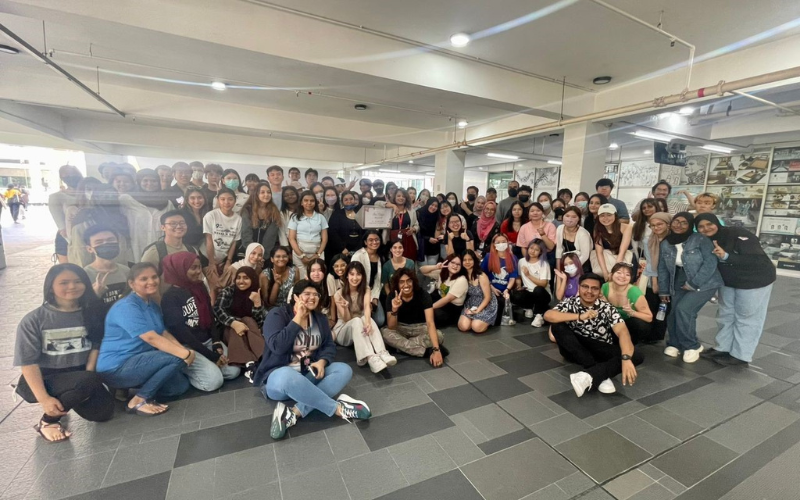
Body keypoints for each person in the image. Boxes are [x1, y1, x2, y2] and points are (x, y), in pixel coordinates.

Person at [252, 281, 371, 440]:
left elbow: (329, 345)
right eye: (307, 294)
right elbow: (277, 346)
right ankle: (338, 409)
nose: (312, 298)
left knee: (344, 370)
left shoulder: (320, 318)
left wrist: (322, 361)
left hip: (307, 375)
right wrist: (298, 319)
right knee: (287, 375)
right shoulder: (277, 315)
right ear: (295, 297)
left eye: (315, 294)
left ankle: (293, 413)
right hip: (278, 379)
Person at [13, 264, 114, 442]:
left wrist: (88, 379)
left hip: (79, 375)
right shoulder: (34, 320)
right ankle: (48, 422)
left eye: (78, 281)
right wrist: (44, 399)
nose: (72, 286)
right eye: (64, 282)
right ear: (50, 286)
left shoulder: (91, 313)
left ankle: (71, 396)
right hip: (46, 378)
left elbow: (95, 346)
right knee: (87, 381)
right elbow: (28, 363)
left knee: (103, 413)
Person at [98, 263, 191, 415]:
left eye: (154, 277)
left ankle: (132, 387)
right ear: (131, 283)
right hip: (117, 366)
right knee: (176, 357)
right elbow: (151, 338)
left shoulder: (151, 304)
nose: (151, 281)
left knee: (179, 387)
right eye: (144, 279)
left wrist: (183, 350)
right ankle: (139, 400)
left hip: (140, 360)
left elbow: (163, 333)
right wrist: (184, 355)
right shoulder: (127, 306)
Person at [544, 273, 643, 398]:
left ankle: (590, 375)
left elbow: (622, 332)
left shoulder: (607, 308)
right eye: (585, 287)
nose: (589, 291)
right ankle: (597, 371)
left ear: (599, 291)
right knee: (557, 326)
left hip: (599, 347)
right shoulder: (570, 303)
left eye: (594, 288)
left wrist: (626, 358)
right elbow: (548, 315)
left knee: (637, 355)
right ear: (579, 288)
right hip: (574, 348)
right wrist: (580, 316)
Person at [695, 214, 775, 365]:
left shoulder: (738, 234)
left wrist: (726, 256)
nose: (706, 228)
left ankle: (741, 354)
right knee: (725, 313)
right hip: (729, 281)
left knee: (747, 316)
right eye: (701, 226)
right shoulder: (704, 240)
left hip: (754, 280)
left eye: (709, 224)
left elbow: (757, 259)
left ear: (716, 223)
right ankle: (722, 347)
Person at [161, 253, 241, 391]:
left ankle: (209, 367)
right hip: (188, 346)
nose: (198, 272)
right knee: (214, 382)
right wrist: (211, 356)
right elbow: (182, 333)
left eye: (199, 267)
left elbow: (210, 315)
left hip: (207, 340)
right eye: (193, 268)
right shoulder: (169, 298)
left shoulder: (199, 287)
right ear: (179, 269)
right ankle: (182, 369)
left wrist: (216, 342)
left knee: (233, 371)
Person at [657, 213, 723, 363]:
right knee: (673, 312)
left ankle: (692, 345)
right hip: (679, 278)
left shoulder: (700, 239)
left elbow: (710, 263)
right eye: (676, 221)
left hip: (706, 281)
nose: (678, 225)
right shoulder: (666, 243)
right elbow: (663, 268)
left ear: (690, 226)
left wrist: (694, 283)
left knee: (685, 309)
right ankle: (674, 343)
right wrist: (664, 290)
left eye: (684, 223)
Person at [332, 262, 396, 372]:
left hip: (359, 327)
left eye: (358, 274)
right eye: (352, 274)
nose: (355, 278)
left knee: (367, 319)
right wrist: (346, 308)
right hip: (343, 331)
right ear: (347, 275)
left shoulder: (366, 289)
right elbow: (347, 320)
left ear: (363, 276)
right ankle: (371, 357)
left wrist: (367, 322)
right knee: (357, 320)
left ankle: (382, 352)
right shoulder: (339, 294)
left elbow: (367, 306)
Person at [383, 268, 447, 367]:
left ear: (413, 281)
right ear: (397, 285)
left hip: (420, 328)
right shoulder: (392, 296)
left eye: (409, 281)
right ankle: (425, 352)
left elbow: (430, 323)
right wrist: (394, 309)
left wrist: (436, 350)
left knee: (439, 336)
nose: (406, 285)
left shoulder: (423, 295)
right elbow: (391, 327)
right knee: (385, 333)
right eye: (402, 282)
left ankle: (401, 348)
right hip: (401, 328)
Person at [68, 182, 133, 268]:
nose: (110, 199)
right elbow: (80, 253)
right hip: (93, 272)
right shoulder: (83, 218)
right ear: (95, 197)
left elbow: (124, 249)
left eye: (113, 196)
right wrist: (87, 275)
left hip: (119, 270)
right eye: (105, 196)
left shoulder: (121, 218)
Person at [213, 266, 267, 366]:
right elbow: (217, 310)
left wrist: (257, 303)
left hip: (248, 331)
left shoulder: (255, 293)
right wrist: (234, 323)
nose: (241, 281)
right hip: (228, 330)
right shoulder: (228, 291)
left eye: (246, 278)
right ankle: (255, 361)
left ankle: (257, 359)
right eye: (238, 277)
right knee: (238, 327)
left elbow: (259, 323)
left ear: (252, 279)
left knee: (248, 320)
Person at [118, 168, 174, 260]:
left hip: (160, 246)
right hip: (135, 245)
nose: (150, 184)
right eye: (145, 180)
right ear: (139, 181)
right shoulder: (127, 199)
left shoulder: (167, 203)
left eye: (153, 181)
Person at [202, 188, 242, 297]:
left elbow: (234, 242)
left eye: (230, 199)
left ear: (235, 200)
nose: (226, 202)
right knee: (215, 286)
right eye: (222, 199)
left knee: (227, 286)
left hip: (224, 258)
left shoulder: (238, 219)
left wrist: (228, 261)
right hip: (207, 258)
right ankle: (211, 312)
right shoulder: (211, 216)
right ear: (218, 200)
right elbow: (208, 240)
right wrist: (211, 262)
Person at [601, 263, 653, 344]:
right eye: (619, 272)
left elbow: (649, 317)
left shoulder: (634, 292)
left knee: (641, 325)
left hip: (628, 323)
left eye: (627, 274)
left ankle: (630, 344)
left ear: (630, 278)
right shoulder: (605, 287)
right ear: (611, 274)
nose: (622, 276)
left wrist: (632, 312)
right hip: (611, 322)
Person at [641, 212, 673, 343]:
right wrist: (655, 282)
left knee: (666, 306)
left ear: (668, 224)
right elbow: (651, 262)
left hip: (671, 278)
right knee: (651, 303)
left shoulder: (673, 240)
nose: (656, 228)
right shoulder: (648, 240)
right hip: (653, 277)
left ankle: (659, 334)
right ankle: (648, 334)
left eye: (659, 224)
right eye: (652, 225)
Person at [83, 225, 130, 310]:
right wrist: (95, 294)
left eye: (110, 240)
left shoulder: (126, 271)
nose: (106, 244)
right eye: (99, 242)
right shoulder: (84, 275)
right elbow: (81, 307)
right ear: (89, 249)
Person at [288, 190, 328, 279]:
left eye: (312, 201)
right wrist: (301, 256)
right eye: (306, 200)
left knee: (317, 277)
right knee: (301, 279)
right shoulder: (295, 217)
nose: (309, 203)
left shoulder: (321, 217)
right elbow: (291, 238)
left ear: (315, 202)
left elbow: (324, 239)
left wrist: (317, 254)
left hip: (317, 253)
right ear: (301, 202)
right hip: (299, 253)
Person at [421, 254, 468, 327]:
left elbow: (447, 299)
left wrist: (428, 309)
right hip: (440, 298)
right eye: (452, 262)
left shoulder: (461, 280)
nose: (455, 266)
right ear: (447, 262)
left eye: (458, 264)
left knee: (428, 315)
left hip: (451, 309)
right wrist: (436, 267)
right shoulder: (443, 273)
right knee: (421, 299)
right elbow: (422, 270)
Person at [512, 239, 551, 327]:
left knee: (538, 290)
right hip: (528, 292)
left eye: (536, 250)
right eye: (531, 248)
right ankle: (529, 307)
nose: (532, 251)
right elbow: (518, 276)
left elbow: (543, 284)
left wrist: (528, 275)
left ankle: (539, 314)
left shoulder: (544, 264)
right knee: (516, 295)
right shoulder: (521, 261)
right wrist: (518, 285)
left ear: (541, 252)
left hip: (542, 293)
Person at [480, 233, 518, 324]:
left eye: (503, 242)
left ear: (507, 243)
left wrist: (507, 290)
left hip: (506, 289)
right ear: (494, 244)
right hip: (491, 288)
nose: (501, 244)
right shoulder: (488, 257)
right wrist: (491, 288)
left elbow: (513, 277)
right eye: (498, 242)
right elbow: (482, 275)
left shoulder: (513, 258)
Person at [351, 231, 386, 326]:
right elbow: (353, 280)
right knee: (361, 319)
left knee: (380, 320)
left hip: (374, 291)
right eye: (371, 240)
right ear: (365, 242)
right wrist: (367, 299)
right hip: (359, 291)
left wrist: (374, 298)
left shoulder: (381, 257)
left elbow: (378, 281)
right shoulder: (358, 256)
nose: (374, 242)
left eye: (377, 239)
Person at [49, 165, 83, 263]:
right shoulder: (56, 197)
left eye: (73, 174)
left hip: (88, 233)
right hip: (67, 237)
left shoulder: (89, 192)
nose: (71, 177)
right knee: (68, 268)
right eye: (66, 176)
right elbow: (62, 227)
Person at [240, 181, 281, 258]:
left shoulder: (274, 211)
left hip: (266, 253)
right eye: (262, 192)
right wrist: (253, 253)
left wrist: (262, 256)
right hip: (247, 250)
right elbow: (246, 233)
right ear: (256, 194)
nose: (266, 195)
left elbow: (270, 237)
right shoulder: (248, 210)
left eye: (269, 192)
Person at [459, 250, 498, 333]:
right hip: (471, 303)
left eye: (470, 259)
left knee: (476, 327)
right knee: (463, 326)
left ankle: (486, 322)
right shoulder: (462, 275)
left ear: (474, 260)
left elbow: (488, 297)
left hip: (486, 304)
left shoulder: (481, 276)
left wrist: (478, 310)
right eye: (464, 260)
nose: (467, 262)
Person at [593, 204, 634, 281]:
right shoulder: (597, 229)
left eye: (609, 215)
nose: (606, 218)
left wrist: (614, 272)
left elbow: (622, 251)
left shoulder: (626, 227)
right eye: (602, 215)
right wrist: (605, 273)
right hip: (606, 262)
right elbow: (599, 252)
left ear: (615, 215)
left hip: (623, 260)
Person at [379, 188, 419, 259]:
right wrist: (393, 206)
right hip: (392, 239)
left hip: (408, 240)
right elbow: (377, 203)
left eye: (403, 196)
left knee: (408, 263)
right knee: (394, 262)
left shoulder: (411, 211)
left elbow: (417, 225)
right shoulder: (389, 210)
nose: (401, 198)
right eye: (398, 196)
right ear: (394, 197)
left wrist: (413, 229)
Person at [327, 190, 363, 261]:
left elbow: (365, 231)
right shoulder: (337, 214)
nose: (349, 201)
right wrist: (342, 248)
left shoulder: (361, 213)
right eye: (346, 200)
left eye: (351, 199)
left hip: (359, 249)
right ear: (342, 202)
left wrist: (360, 247)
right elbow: (333, 233)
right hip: (342, 250)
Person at [556, 207, 593, 273]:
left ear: (578, 219)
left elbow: (585, 255)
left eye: (574, 217)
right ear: (563, 217)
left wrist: (573, 268)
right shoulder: (560, 228)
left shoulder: (583, 233)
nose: (570, 219)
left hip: (581, 264)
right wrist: (559, 268)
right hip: (565, 262)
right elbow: (559, 250)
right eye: (567, 216)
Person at [306, 258, 336, 328]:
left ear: (324, 271)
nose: (316, 274)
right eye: (313, 271)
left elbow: (332, 301)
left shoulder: (328, 282)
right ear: (308, 272)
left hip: (326, 320)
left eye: (320, 270)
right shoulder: (304, 286)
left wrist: (333, 320)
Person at [417, 197, 441, 265]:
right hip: (422, 245)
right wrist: (428, 238)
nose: (433, 207)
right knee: (422, 270)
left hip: (434, 246)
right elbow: (417, 231)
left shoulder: (438, 216)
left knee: (431, 271)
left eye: (436, 206)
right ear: (428, 204)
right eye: (432, 205)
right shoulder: (419, 213)